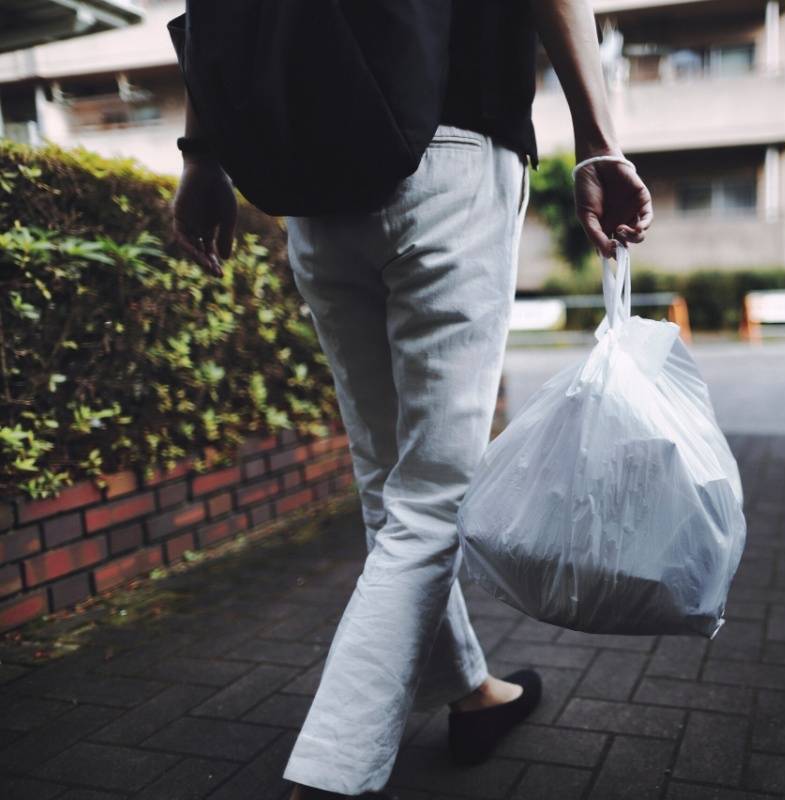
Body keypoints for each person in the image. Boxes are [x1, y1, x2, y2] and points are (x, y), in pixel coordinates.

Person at [170, 1, 652, 798]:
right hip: (453, 148)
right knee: (430, 495)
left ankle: (473, 694)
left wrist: (203, 157)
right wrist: (598, 142)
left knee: (389, 483)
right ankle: (327, 779)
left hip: (312, 182)